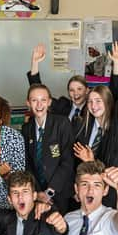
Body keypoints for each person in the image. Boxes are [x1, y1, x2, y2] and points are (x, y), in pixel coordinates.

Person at [22, 83, 75, 213]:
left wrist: (50, 191)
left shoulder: (62, 123)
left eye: (43, 100)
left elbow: (67, 160)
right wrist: (39, 191)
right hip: (38, 194)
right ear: (28, 103)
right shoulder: (26, 128)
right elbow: (27, 164)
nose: (39, 105)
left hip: (60, 191)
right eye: (34, 100)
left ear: (49, 102)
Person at [73, 42, 118, 164]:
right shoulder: (81, 125)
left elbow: (114, 89)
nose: (93, 106)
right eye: (90, 101)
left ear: (107, 102)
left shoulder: (116, 128)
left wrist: (117, 63)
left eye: (98, 101)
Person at [27, 43, 89, 127]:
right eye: (71, 90)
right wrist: (35, 63)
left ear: (87, 90)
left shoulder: (92, 108)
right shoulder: (62, 105)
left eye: (79, 89)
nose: (76, 93)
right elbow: (38, 92)